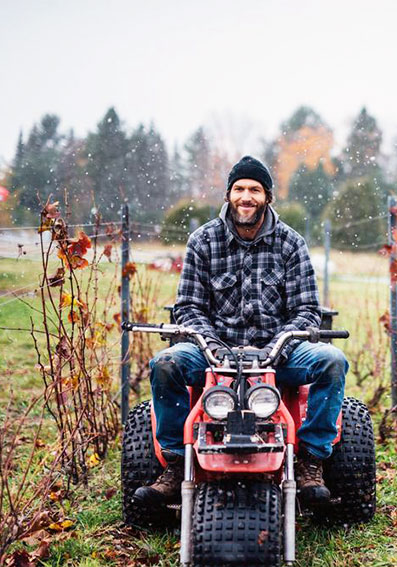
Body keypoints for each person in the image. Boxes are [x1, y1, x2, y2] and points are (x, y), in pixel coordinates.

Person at [134, 156, 347, 506]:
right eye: (239, 189)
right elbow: (188, 307)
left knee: (332, 362)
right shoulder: (203, 241)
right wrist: (213, 348)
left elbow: (307, 310)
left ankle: (310, 459)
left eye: (254, 189)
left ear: (268, 197)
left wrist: (275, 348)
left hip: (278, 353)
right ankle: (175, 463)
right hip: (211, 352)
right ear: (228, 194)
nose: (246, 196)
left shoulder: (290, 244)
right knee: (165, 364)